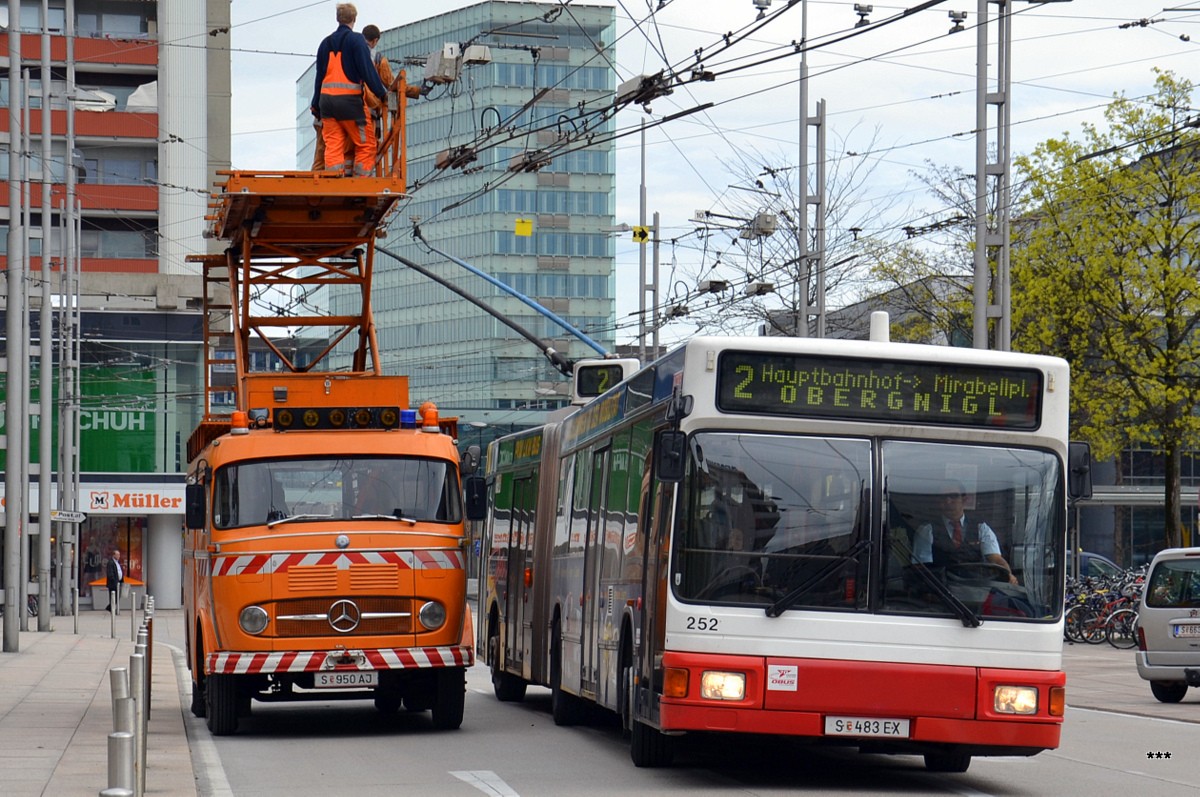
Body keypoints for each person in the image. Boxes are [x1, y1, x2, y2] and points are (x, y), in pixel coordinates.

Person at [311, 4, 389, 176]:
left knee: (333, 145)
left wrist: (315, 104)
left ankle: (334, 183)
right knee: (366, 144)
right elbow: (366, 70)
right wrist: (382, 94)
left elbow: (319, 77)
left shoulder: (325, 43)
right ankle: (360, 183)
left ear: (337, 18)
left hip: (327, 104)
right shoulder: (356, 40)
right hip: (350, 104)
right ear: (354, 19)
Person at [911, 480, 1018, 585]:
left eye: (953, 496)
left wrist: (1008, 576)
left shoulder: (981, 528)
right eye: (943, 497)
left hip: (977, 590)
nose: (948, 501)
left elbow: (996, 560)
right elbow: (922, 569)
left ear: (964, 499)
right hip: (942, 594)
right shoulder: (927, 530)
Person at [104, 549, 124, 613]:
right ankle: (110, 608)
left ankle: (111, 608)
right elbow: (110, 573)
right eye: (117, 554)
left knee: (117, 597)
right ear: (114, 555)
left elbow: (119, 571)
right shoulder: (111, 562)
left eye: (119, 554)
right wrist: (114, 580)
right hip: (113, 584)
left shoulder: (117, 563)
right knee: (113, 597)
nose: (119, 556)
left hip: (118, 583)